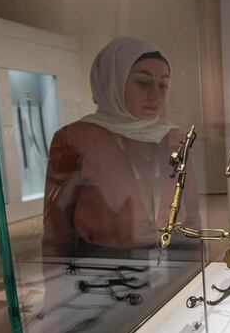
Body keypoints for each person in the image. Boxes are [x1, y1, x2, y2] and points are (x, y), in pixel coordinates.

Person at [42, 37, 199, 259]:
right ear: (111, 82)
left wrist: (195, 265)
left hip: (173, 259)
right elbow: (57, 225)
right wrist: (56, 284)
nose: (156, 95)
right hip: (105, 267)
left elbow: (191, 211)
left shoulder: (174, 137)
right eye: (143, 82)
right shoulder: (76, 139)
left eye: (164, 84)